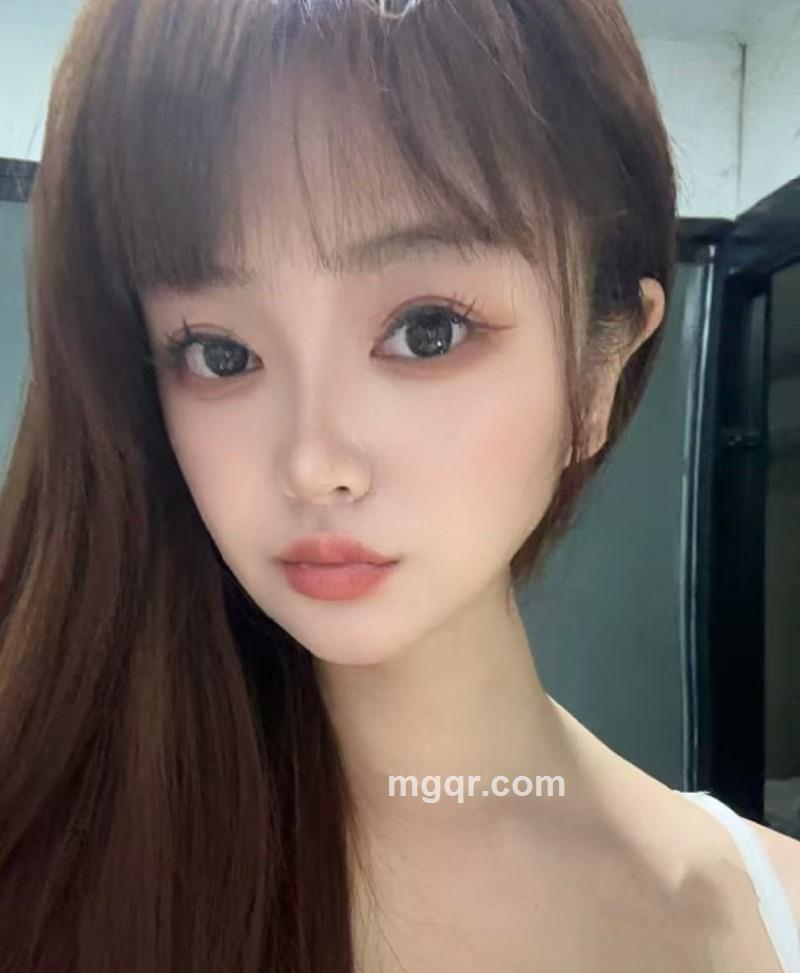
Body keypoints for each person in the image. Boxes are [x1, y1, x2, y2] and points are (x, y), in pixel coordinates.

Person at [0, 0, 797, 970]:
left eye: (427, 330)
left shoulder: (772, 915)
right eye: (219, 351)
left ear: (600, 371)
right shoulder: (47, 864)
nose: (313, 463)